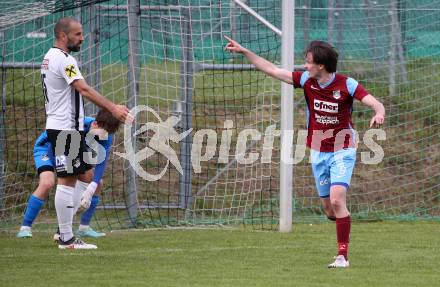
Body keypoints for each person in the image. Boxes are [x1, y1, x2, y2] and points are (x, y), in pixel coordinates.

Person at [224, 36, 385, 268]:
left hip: (343, 147)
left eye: (308, 61)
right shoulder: (306, 81)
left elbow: (375, 103)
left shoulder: (346, 84)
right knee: (330, 208)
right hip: (318, 151)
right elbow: (271, 69)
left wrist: (379, 113)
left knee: (338, 199)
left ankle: (342, 256)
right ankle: (342, 219)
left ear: (321, 65)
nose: (305, 65)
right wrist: (245, 51)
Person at [41, 17, 133, 249]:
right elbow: (83, 88)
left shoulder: (50, 57)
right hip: (65, 128)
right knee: (67, 180)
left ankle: (63, 231)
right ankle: (67, 238)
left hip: (62, 127)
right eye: (78, 34)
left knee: (87, 177)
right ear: (64, 35)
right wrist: (113, 108)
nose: (82, 38)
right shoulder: (64, 59)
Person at [17, 109, 119, 240]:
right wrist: (64, 172)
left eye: (108, 134)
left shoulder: (106, 135)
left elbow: (101, 161)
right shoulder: (77, 126)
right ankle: (25, 228)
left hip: (72, 151)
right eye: (103, 133)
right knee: (47, 183)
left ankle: (81, 228)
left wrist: (91, 187)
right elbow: (54, 150)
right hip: (46, 148)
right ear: (95, 124)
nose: (105, 137)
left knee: (97, 182)